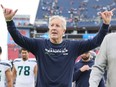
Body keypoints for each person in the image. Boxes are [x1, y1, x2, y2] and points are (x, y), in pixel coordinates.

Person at [1, 5, 114, 87]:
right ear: (49, 28)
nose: (54, 28)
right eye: (52, 25)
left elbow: (95, 42)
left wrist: (105, 24)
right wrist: (9, 20)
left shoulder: (72, 46)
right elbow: (19, 39)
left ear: (63, 30)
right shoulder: (39, 45)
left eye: (57, 26)